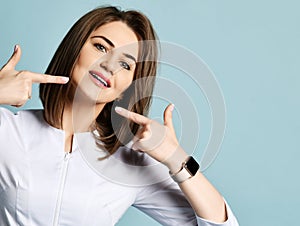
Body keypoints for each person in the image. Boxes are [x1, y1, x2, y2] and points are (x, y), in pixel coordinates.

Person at [0, 6, 239, 226]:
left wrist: (175, 157)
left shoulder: (128, 161)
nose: (109, 65)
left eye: (125, 65)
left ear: (129, 87)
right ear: (74, 49)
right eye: (101, 47)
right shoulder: (8, 130)